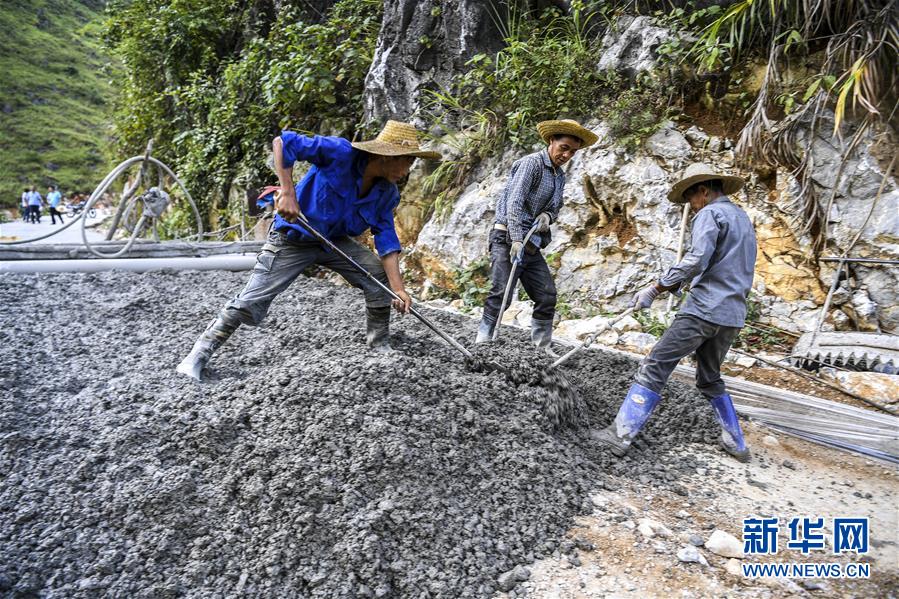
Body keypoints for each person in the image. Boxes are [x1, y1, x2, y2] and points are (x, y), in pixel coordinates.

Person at [176, 120, 442, 381]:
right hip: (293, 237)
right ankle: (198, 355)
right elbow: (283, 142)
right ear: (387, 156)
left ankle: (379, 343)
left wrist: (398, 289)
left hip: (334, 242)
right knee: (251, 300)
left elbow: (386, 240)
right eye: (407, 160)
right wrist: (288, 192)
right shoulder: (340, 153)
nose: (409, 169)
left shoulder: (386, 193)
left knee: (377, 277)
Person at [591, 163, 757, 462]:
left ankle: (619, 436)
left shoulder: (709, 213)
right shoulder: (742, 218)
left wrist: (657, 288)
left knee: (655, 364)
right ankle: (736, 443)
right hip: (732, 314)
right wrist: (683, 284)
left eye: (691, 200)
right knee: (709, 378)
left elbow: (697, 258)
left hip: (704, 310)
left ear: (703, 192)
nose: (691, 207)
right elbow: (724, 264)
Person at [475, 119, 597, 356]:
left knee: (546, 294)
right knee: (502, 292)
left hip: (531, 243)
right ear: (552, 141)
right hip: (506, 237)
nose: (567, 154)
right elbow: (515, 202)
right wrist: (517, 238)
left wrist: (547, 216)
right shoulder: (531, 164)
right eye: (564, 147)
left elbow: (556, 206)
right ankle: (483, 342)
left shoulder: (559, 176)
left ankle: (541, 347)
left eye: (572, 151)